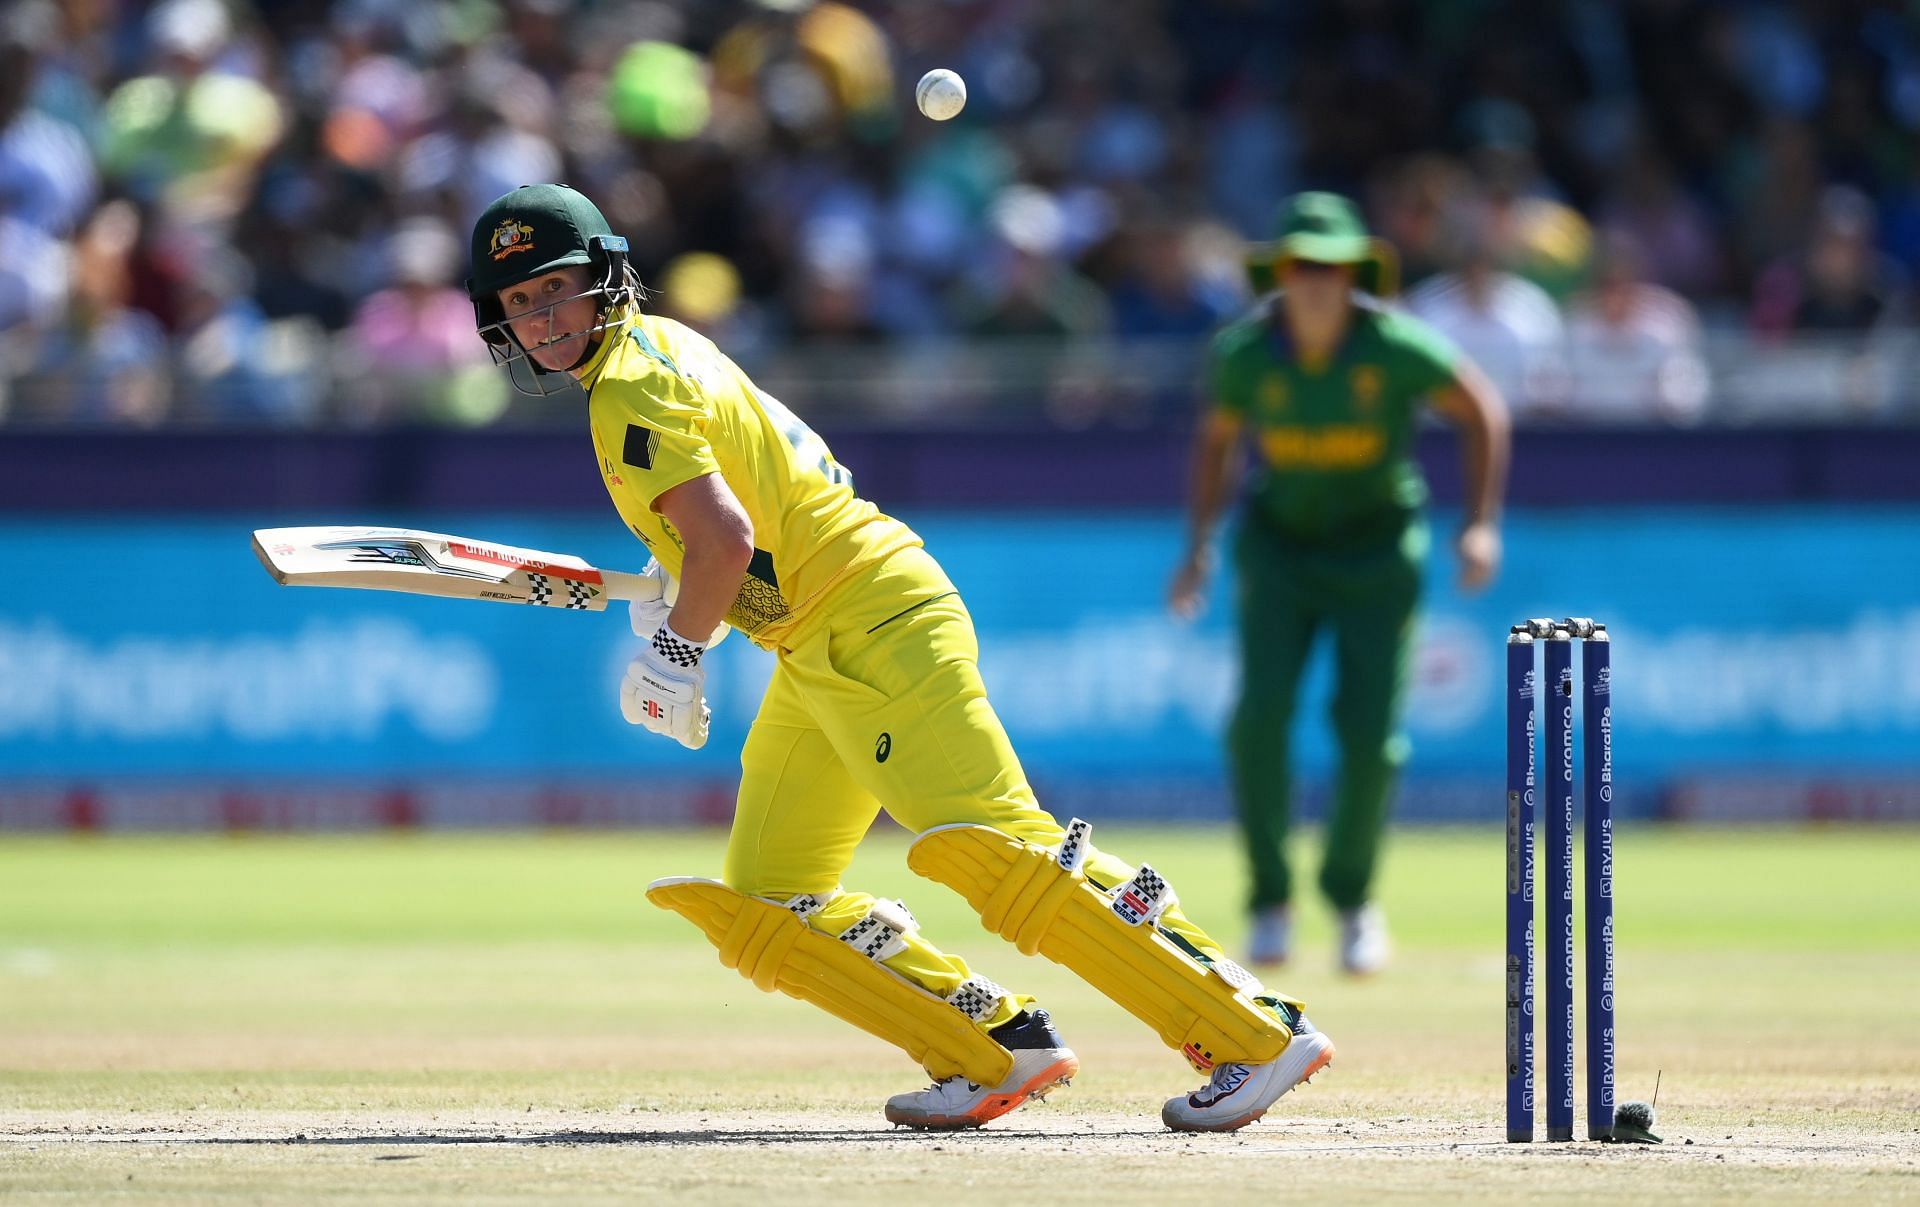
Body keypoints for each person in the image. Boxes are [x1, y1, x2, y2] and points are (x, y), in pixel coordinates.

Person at [465, 183, 1334, 1133]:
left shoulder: (628, 383)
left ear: (604, 281)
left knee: (1005, 855)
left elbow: (722, 538)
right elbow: (744, 518)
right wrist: (682, 580)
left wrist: (678, 649)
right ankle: (994, 1046)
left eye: (553, 290)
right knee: (771, 902)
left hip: (873, 615)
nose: (540, 319)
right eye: (517, 304)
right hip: (812, 641)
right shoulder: (665, 346)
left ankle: (1251, 1030)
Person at [1168, 192, 1510, 974]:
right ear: (1281, 274)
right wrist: (1199, 546)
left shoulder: (1393, 347)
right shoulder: (1245, 354)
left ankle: (1353, 900)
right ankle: (1269, 902)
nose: (1318, 281)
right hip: (1280, 551)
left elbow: (1482, 411)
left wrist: (1481, 522)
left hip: (1378, 555)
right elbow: (1216, 443)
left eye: (1333, 267)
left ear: (1357, 273)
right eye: (1303, 266)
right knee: (1258, 722)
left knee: (1370, 738)